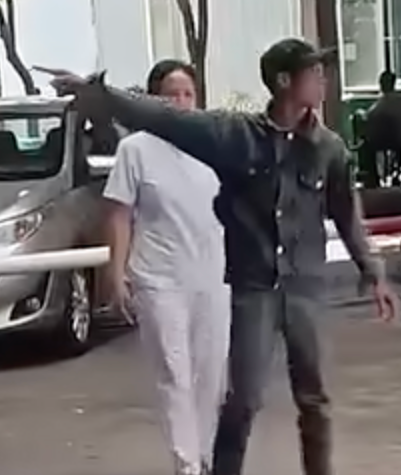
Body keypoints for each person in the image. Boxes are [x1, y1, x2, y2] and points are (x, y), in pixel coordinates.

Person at [37, 37, 398, 475]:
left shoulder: (329, 148)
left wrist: (373, 271)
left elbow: (347, 214)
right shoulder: (236, 137)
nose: (323, 79)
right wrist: (100, 94)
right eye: (314, 71)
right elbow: (165, 118)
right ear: (284, 81)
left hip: (305, 286)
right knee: (243, 399)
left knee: (314, 398)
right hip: (254, 287)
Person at [102, 59, 230, 475]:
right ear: (154, 100)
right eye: (172, 94)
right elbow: (119, 214)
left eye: (188, 94)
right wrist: (116, 273)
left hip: (213, 275)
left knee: (211, 375)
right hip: (159, 278)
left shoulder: (213, 144)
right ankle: (186, 463)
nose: (181, 102)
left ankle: (206, 455)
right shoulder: (135, 149)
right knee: (175, 373)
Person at [360, 70, 401, 187]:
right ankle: (399, 169)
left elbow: (369, 115)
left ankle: (372, 176)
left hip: (385, 141)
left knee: (366, 145)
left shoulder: (383, 102)